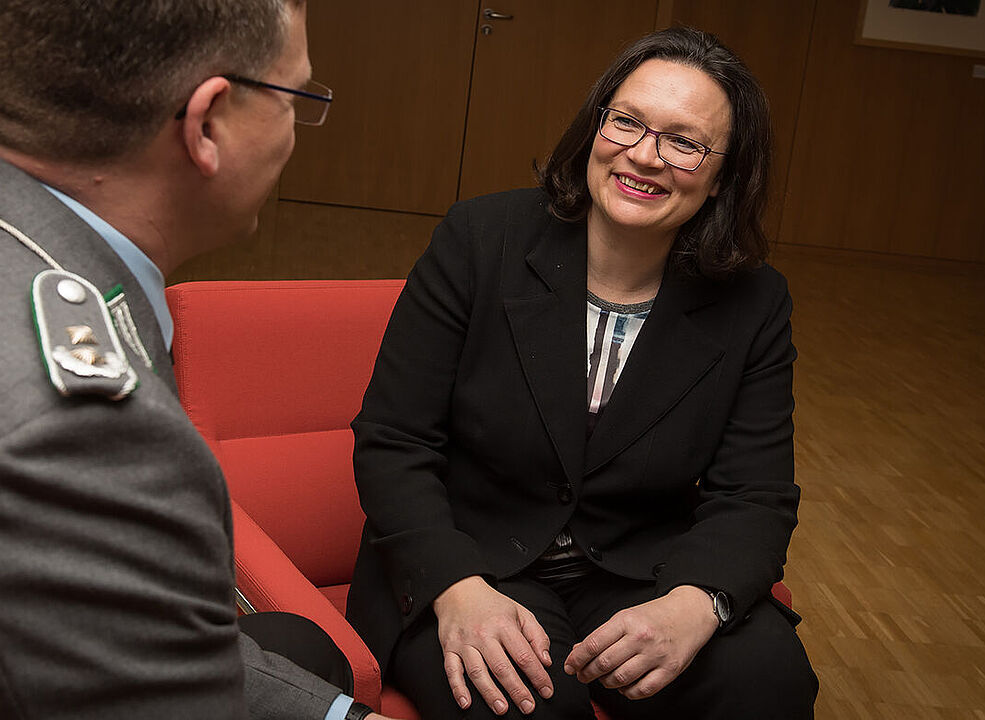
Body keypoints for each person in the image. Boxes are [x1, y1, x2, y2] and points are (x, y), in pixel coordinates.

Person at [0, 1, 392, 719]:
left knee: (299, 649)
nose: (298, 130)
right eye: (295, 98)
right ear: (208, 125)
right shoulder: (90, 444)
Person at [346, 27, 817, 719]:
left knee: (768, 679)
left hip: (639, 571)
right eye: (626, 122)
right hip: (475, 559)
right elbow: (394, 440)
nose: (644, 156)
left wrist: (695, 605)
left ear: (725, 176)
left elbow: (755, 495)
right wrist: (457, 587)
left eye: (684, 142)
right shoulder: (480, 239)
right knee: (527, 707)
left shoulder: (754, 301)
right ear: (595, 125)